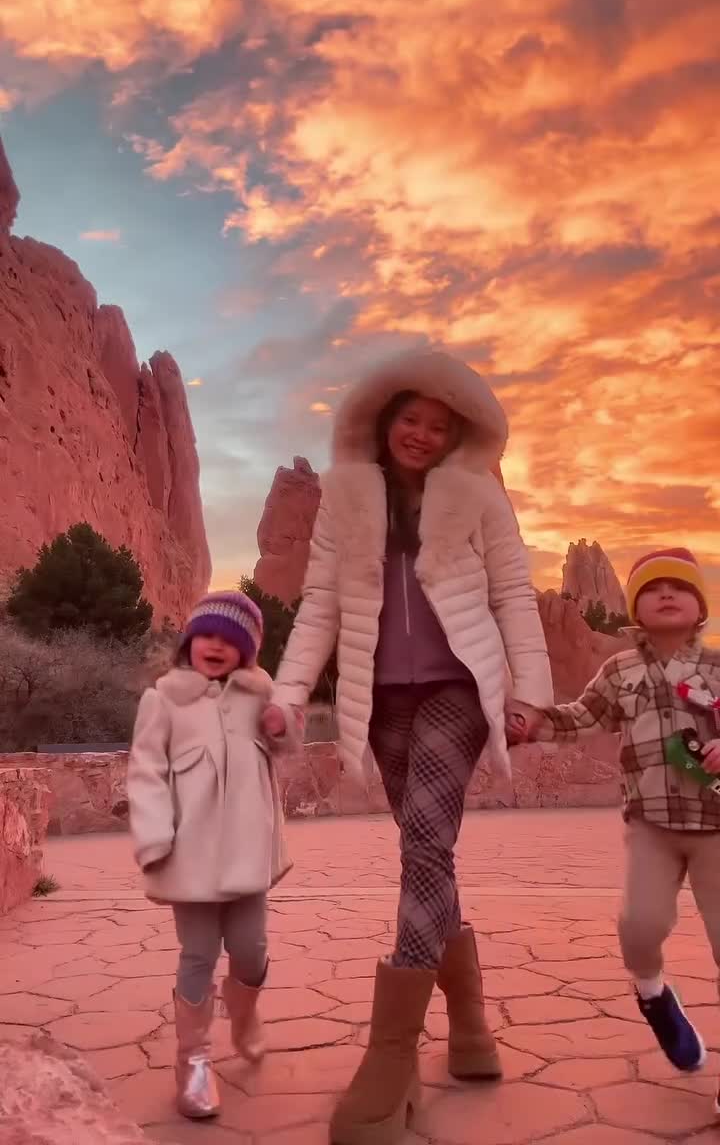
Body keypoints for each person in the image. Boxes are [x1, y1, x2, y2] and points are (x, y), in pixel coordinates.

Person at [264, 348, 554, 1145]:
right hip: (382, 698)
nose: (422, 435)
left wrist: (529, 693)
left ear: (458, 435)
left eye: (438, 425)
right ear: (384, 421)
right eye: (410, 420)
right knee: (429, 854)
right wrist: (289, 696)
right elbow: (319, 606)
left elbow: (513, 594)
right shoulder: (347, 499)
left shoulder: (478, 497)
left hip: (459, 690)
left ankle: (390, 1059)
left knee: (426, 841)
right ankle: (470, 1025)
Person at [507, 548, 720, 1108]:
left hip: (717, 823)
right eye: (652, 588)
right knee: (640, 928)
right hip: (651, 825)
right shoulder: (620, 670)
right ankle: (652, 995)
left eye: (680, 587)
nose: (667, 594)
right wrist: (532, 723)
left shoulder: (718, 667)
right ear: (634, 608)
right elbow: (582, 718)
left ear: (700, 605)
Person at [127, 590, 301, 1120]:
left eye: (230, 640)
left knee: (251, 949)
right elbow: (145, 770)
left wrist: (283, 725)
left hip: (248, 854)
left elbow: (286, 745)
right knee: (198, 954)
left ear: (246, 650)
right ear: (188, 641)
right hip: (189, 857)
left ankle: (244, 1015)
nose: (216, 646)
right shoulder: (163, 700)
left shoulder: (258, 695)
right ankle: (194, 1062)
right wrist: (153, 838)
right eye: (206, 635)